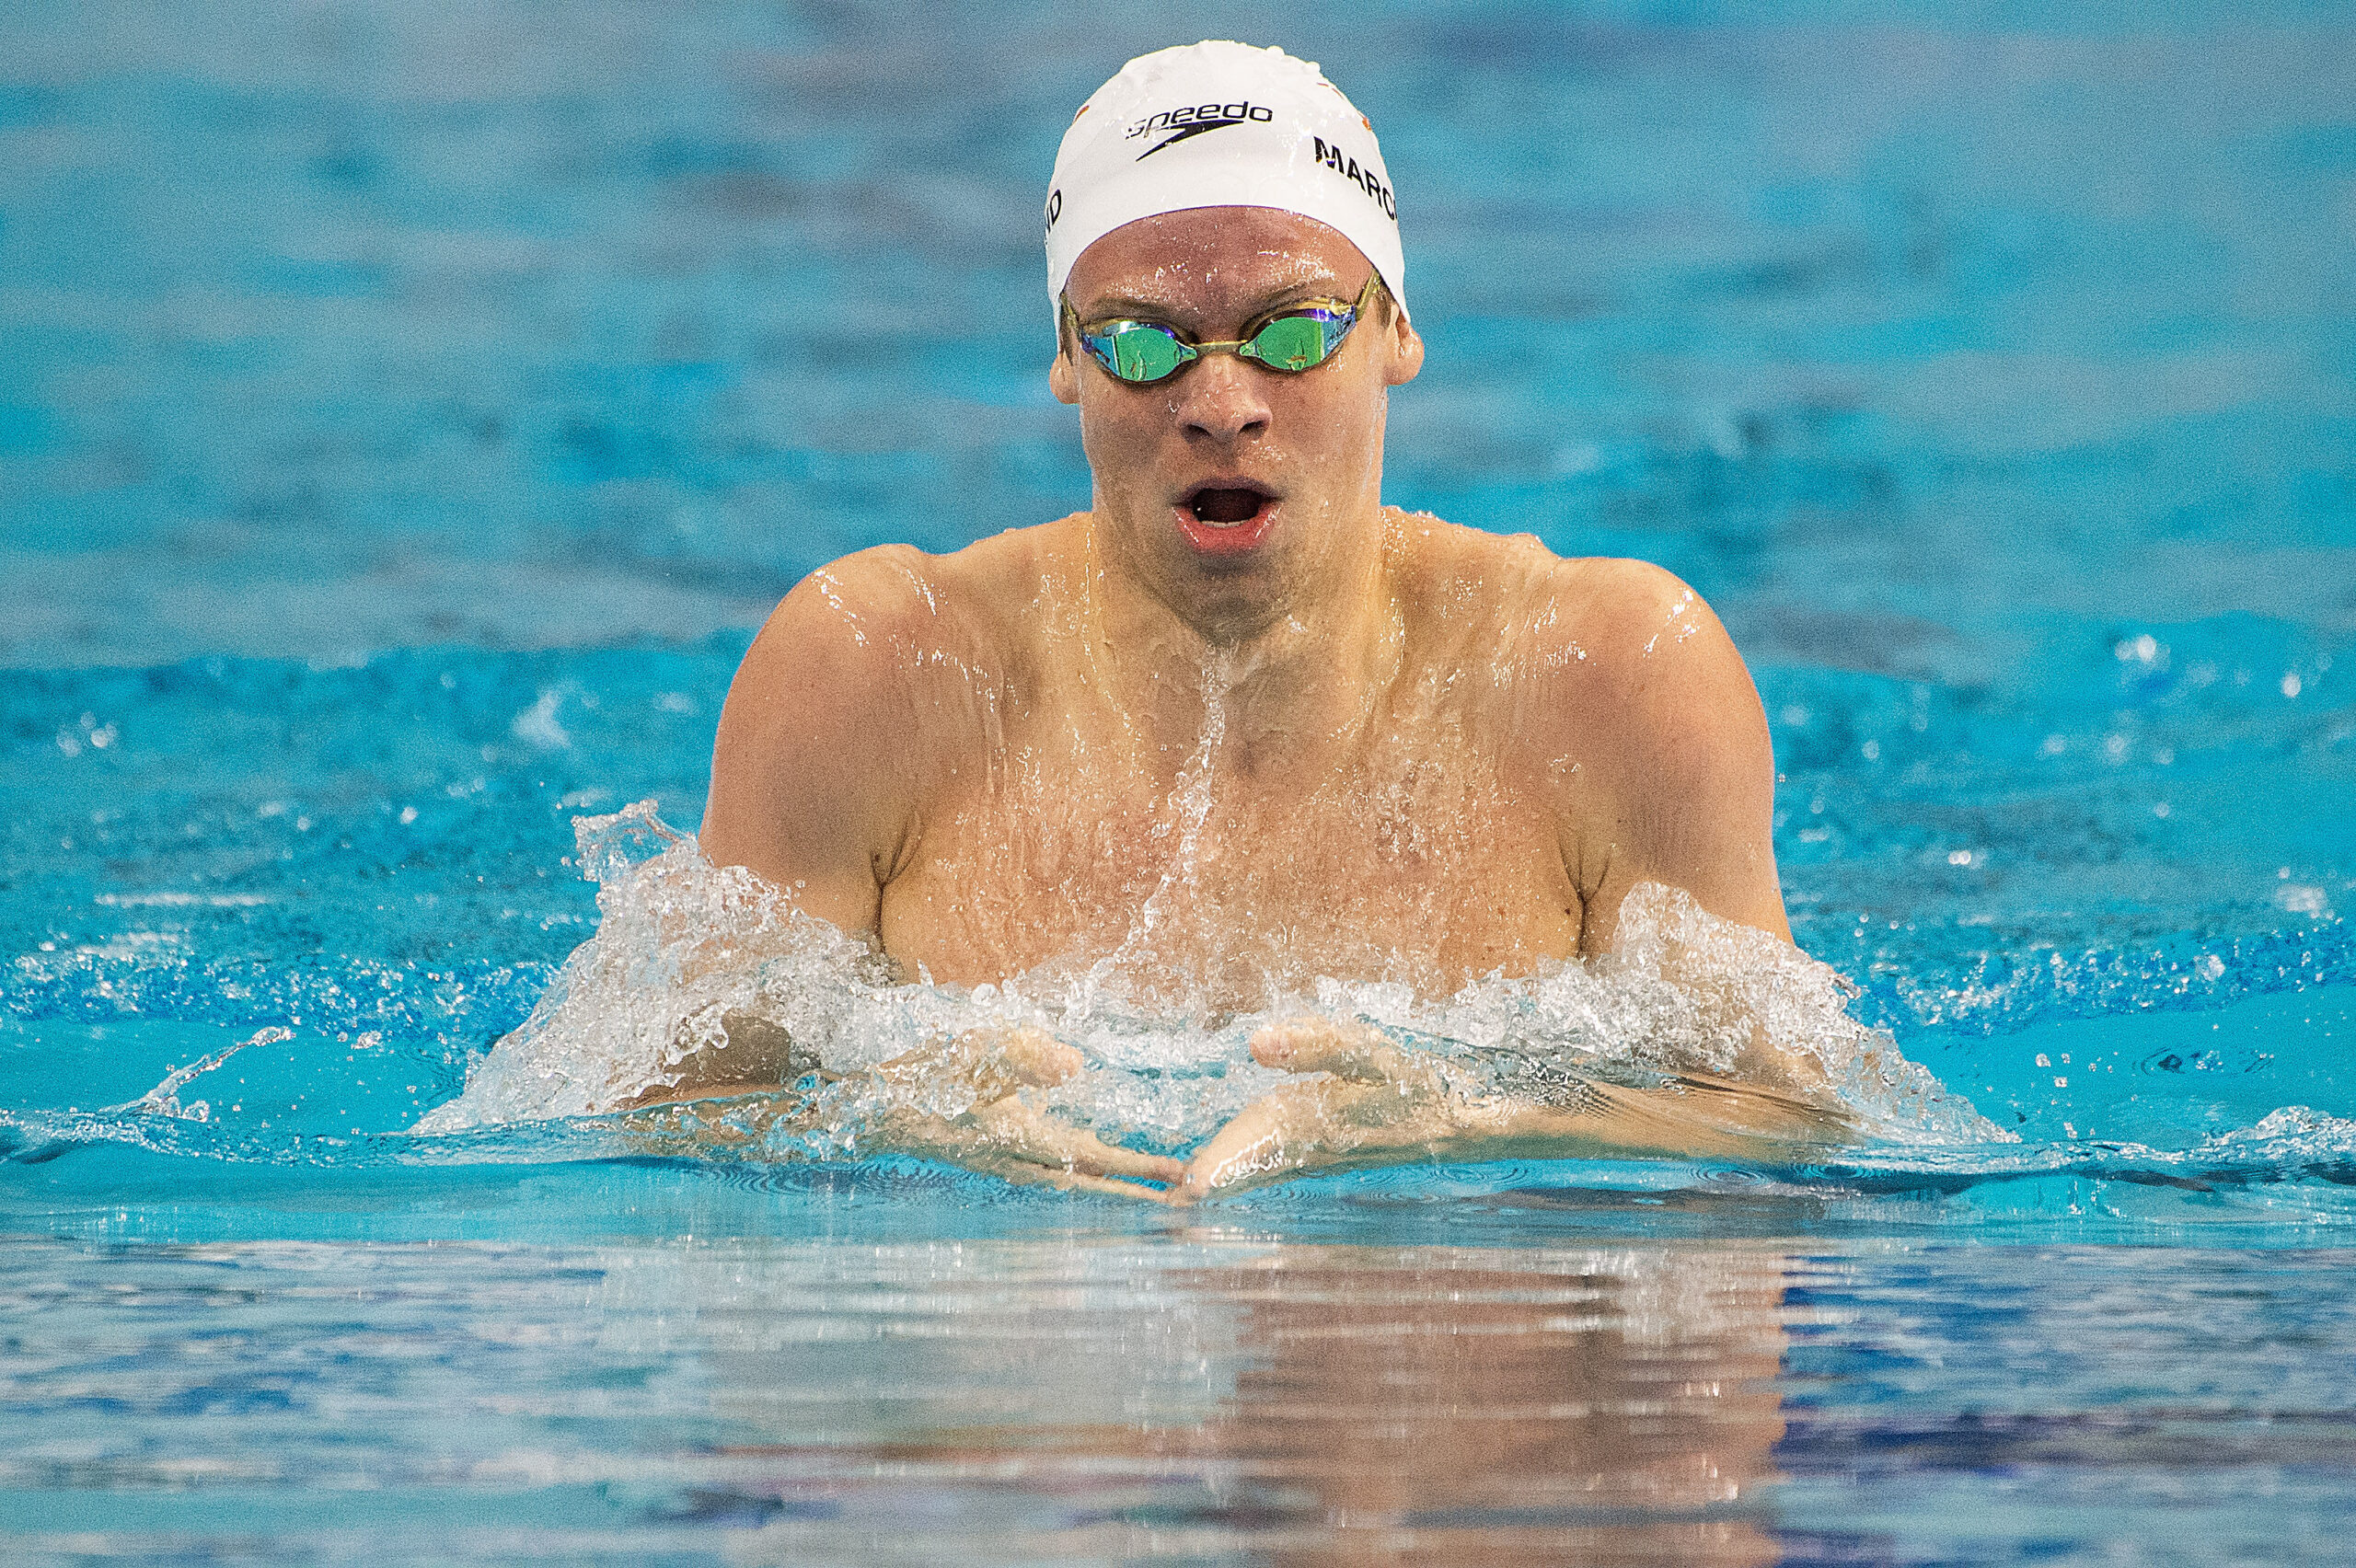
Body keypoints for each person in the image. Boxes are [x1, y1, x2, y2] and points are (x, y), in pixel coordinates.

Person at [682, 41, 1841, 1200]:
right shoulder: (873, 671)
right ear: (1064, 361)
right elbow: (659, 1115)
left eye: (1292, 335)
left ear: (1394, 332)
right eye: (1140, 345)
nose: (1222, 407)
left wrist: (1467, 1120)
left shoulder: (1611, 673)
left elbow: (1796, 1117)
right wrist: (898, 1131)